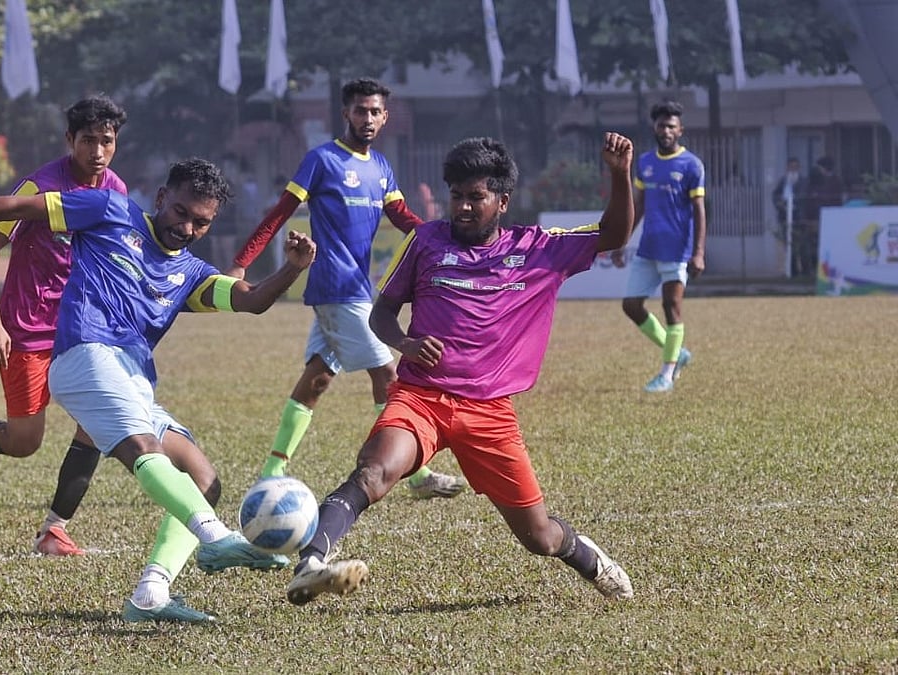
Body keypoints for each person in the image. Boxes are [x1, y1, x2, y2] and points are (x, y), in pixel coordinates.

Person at [0, 158, 317, 623]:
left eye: (201, 222)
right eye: (181, 212)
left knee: (204, 480)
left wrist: (292, 269)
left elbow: (251, 300)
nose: (187, 228)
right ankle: (215, 539)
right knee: (141, 449)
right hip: (84, 356)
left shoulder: (192, 273)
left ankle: (151, 593)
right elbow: (14, 207)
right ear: (161, 198)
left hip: (133, 379)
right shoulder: (109, 210)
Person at [283, 134, 637, 607]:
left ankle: (589, 559)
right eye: (456, 196)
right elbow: (382, 312)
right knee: (373, 472)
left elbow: (614, 235)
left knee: (539, 537)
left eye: (476, 197)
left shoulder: (538, 249)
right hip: (421, 397)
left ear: (502, 201)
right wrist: (405, 343)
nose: (464, 208)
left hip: (490, 412)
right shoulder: (426, 241)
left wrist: (619, 173)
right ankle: (310, 565)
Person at [227, 77, 465, 498]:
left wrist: (441, 240)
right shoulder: (322, 160)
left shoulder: (381, 167)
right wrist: (241, 263)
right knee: (388, 373)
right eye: (360, 110)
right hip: (336, 287)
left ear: (385, 117)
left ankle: (271, 471)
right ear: (345, 114)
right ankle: (418, 475)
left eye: (375, 112)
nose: (367, 118)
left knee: (317, 378)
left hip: (355, 287)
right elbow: (280, 212)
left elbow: (402, 217)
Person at [0, 96, 130, 558]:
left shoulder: (115, 189)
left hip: (82, 327)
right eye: (88, 141)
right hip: (26, 326)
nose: (97, 152)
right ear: (69, 140)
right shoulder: (38, 187)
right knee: (25, 442)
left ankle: (54, 530)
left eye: (106, 141)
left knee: (97, 422)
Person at [611, 100, 704, 394]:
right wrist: (621, 240)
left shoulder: (691, 165)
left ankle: (667, 375)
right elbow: (638, 206)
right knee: (631, 305)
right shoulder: (645, 163)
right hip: (648, 248)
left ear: (680, 130)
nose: (666, 131)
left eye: (671, 126)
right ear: (654, 127)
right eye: (662, 125)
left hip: (677, 250)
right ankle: (676, 352)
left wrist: (699, 252)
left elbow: (699, 210)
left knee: (670, 307)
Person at [804, 155, 844, 275]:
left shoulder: (835, 181)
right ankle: (814, 268)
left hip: (830, 218)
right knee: (814, 244)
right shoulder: (814, 181)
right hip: (815, 218)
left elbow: (836, 200)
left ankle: (828, 269)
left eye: (819, 167)